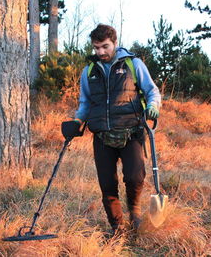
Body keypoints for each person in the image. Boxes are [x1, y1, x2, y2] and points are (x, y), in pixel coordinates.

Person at [61, 24, 161, 235]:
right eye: (96, 48)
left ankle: (134, 212)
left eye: (105, 47)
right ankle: (117, 227)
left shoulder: (133, 64)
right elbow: (85, 103)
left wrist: (153, 107)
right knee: (107, 184)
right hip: (102, 135)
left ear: (115, 43)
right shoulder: (89, 71)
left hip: (131, 131)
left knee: (135, 177)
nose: (100, 52)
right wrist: (77, 121)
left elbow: (152, 91)